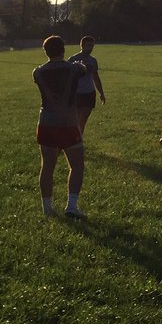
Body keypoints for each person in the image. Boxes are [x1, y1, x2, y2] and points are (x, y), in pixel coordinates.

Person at [33, 35, 87, 218]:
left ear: (45, 51)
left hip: (46, 122)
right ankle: (71, 206)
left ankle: (47, 208)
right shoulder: (74, 69)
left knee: (47, 166)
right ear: (63, 49)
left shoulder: (38, 72)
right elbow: (83, 70)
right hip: (68, 122)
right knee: (77, 165)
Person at [68, 34, 106, 134]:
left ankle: (79, 138)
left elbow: (96, 77)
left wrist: (101, 93)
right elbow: (67, 78)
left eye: (92, 45)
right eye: (89, 45)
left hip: (89, 93)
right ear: (82, 45)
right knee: (75, 119)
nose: (91, 48)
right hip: (77, 93)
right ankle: (74, 138)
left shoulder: (93, 61)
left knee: (83, 119)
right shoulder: (72, 60)